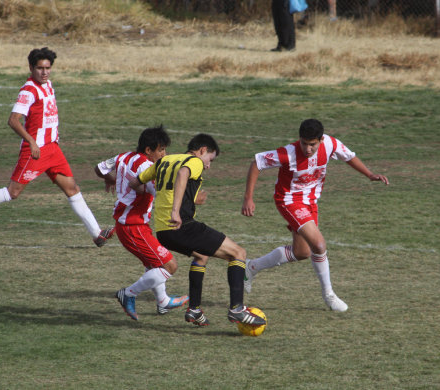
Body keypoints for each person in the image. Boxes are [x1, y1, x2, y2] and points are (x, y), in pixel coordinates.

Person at [0, 47, 114, 247]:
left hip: (53, 149)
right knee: (13, 192)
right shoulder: (28, 91)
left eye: (48, 68)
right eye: (40, 68)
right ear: (31, 68)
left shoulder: (48, 85)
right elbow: (13, 120)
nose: (45, 72)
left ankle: (97, 234)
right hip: (36, 152)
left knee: (72, 188)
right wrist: (31, 142)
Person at [241, 119, 389, 312]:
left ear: (321, 140)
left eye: (312, 144)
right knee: (319, 245)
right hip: (289, 201)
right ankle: (329, 295)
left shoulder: (330, 144)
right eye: (304, 143)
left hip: (310, 202)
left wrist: (369, 175)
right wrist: (248, 198)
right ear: (299, 139)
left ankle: (251, 267)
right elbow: (257, 163)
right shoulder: (287, 153)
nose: (308, 149)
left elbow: (348, 156)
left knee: (302, 252)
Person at [132, 134, 266, 327]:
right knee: (238, 253)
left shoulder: (164, 161)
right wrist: (176, 211)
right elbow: (182, 174)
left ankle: (194, 310)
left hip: (163, 232)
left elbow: (135, 183)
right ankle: (237, 309)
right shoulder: (193, 161)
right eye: (210, 159)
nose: (208, 165)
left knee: (201, 256)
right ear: (202, 150)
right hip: (182, 225)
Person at [95, 126, 189, 320]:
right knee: (169, 266)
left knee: (154, 265)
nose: (164, 154)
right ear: (148, 150)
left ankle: (163, 301)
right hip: (132, 227)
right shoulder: (147, 168)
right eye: (161, 150)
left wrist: (110, 179)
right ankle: (128, 294)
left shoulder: (123, 157)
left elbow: (99, 167)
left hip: (132, 225)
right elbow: (160, 193)